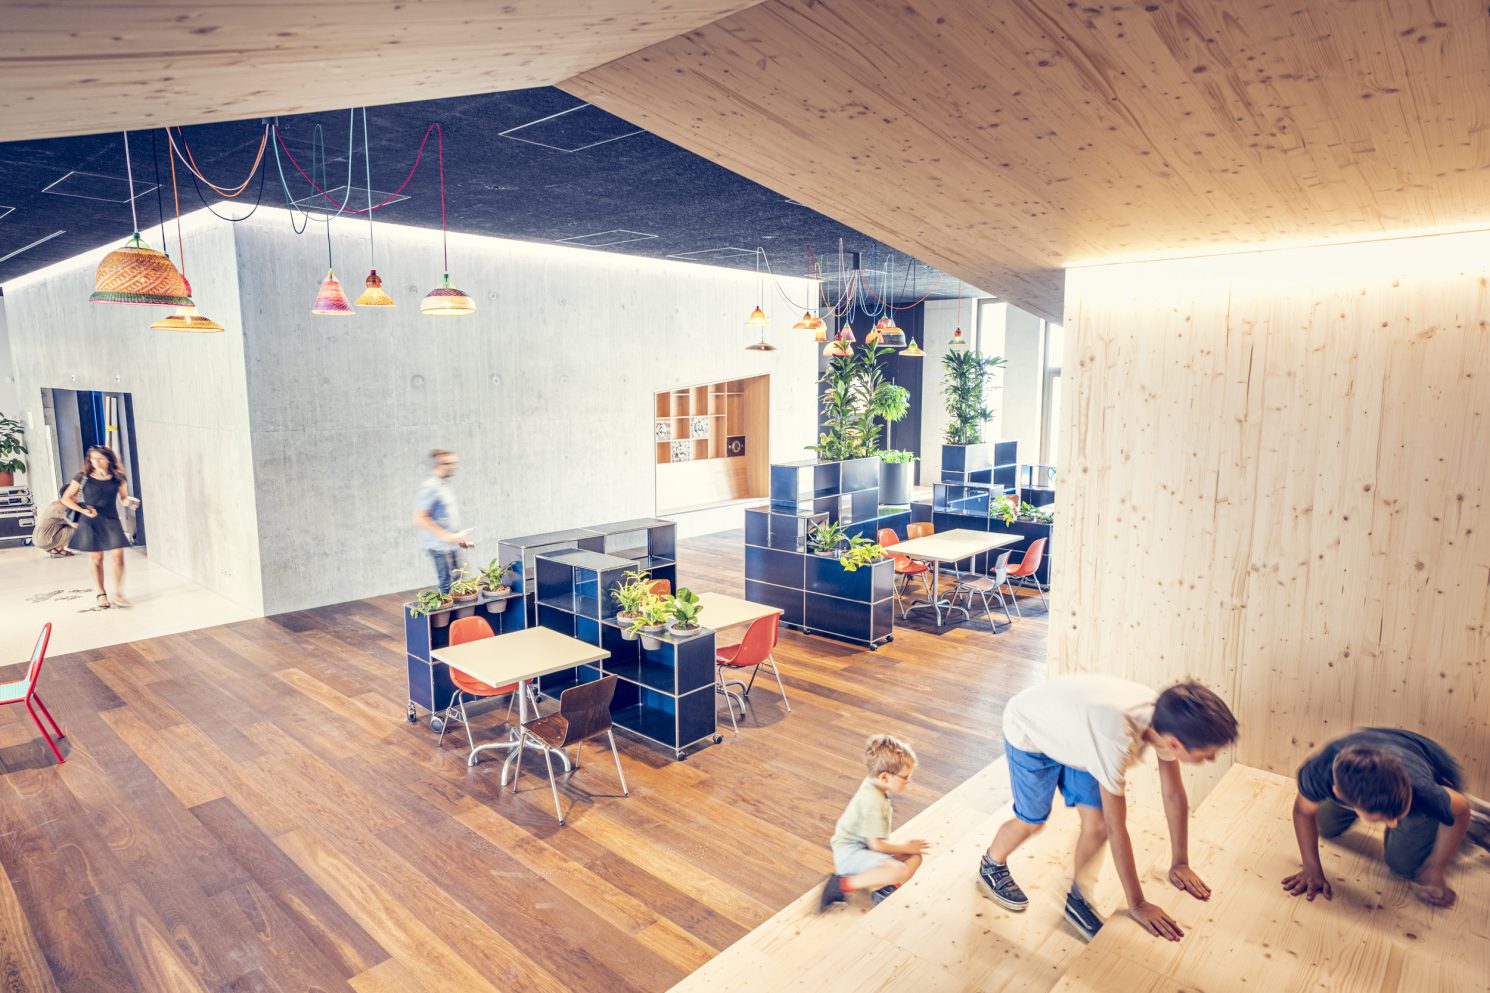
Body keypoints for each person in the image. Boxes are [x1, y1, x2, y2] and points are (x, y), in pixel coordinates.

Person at [978, 676, 1238, 942]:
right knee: (1031, 821)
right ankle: (991, 864)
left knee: (1097, 825)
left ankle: (1076, 899)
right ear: (1175, 744)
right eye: (1208, 754)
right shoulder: (1116, 739)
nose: (1211, 759)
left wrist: (1180, 862)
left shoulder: (1166, 721)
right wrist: (1137, 904)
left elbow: (1173, 795)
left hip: (1078, 734)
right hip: (1032, 731)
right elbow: (1118, 828)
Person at [1283, 729, 1471, 908]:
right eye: (1384, 818)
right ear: (1339, 793)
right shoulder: (1319, 773)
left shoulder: (1424, 790)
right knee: (1324, 826)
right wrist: (1311, 868)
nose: (1393, 824)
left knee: (1403, 865)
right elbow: (1303, 812)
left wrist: (1436, 868)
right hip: (1368, 760)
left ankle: (1474, 825)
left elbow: (1462, 810)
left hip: (1435, 766)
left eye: (1398, 814)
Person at [819, 734, 928, 911]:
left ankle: (884, 891)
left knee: (915, 858)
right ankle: (840, 885)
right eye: (906, 777)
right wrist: (907, 846)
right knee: (899, 870)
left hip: (864, 850)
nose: (909, 781)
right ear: (885, 777)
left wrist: (908, 850)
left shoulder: (875, 783)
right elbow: (876, 845)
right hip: (850, 855)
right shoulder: (873, 801)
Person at [59, 445, 139, 608]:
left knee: (118, 557)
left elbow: (122, 499)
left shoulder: (118, 477)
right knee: (97, 558)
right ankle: (101, 594)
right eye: (92, 459)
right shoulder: (83, 476)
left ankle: (118, 593)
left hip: (111, 519)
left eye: (100, 458)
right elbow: (65, 498)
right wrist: (83, 510)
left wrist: (130, 502)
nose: (95, 462)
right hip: (90, 520)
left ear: (109, 459)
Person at [412, 448, 473, 593]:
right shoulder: (430, 487)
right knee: (448, 585)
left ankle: (458, 615)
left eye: (454, 463)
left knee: (459, 583)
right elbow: (419, 517)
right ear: (438, 465)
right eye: (449, 463)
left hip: (450, 545)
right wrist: (445, 536)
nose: (453, 466)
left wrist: (458, 539)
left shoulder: (443, 486)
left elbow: (445, 518)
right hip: (440, 547)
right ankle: (447, 616)